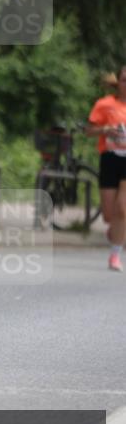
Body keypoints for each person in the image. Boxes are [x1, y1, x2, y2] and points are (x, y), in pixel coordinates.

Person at [86, 65, 126, 271]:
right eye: (125, 80)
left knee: (123, 208)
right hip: (110, 158)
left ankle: (115, 255)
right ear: (118, 83)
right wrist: (106, 130)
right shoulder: (105, 104)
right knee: (110, 214)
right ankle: (115, 230)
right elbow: (88, 131)